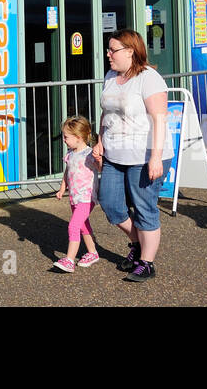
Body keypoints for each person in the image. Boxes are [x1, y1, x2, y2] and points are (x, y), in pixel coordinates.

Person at [93, 29, 172, 283]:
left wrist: (156, 157)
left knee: (144, 208)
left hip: (144, 155)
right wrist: (100, 141)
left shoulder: (149, 78)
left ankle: (147, 263)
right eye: (108, 49)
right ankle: (138, 243)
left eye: (112, 49)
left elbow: (159, 118)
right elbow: (106, 112)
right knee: (110, 202)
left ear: (130, 51)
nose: (108, 54)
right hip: (115, 154)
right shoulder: (110, 76)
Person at [54, 116, 100, 272]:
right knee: (82, 226)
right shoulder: (71, 154)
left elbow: (101, 168)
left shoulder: (89, 154)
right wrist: (62, 189)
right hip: (74, 197)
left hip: (87, 198)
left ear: (79, 137)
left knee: (73, 226)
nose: (64, 140)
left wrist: (99, 160)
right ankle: (92, 252)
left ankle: (69, 260)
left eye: (66, 137)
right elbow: (67, 173)